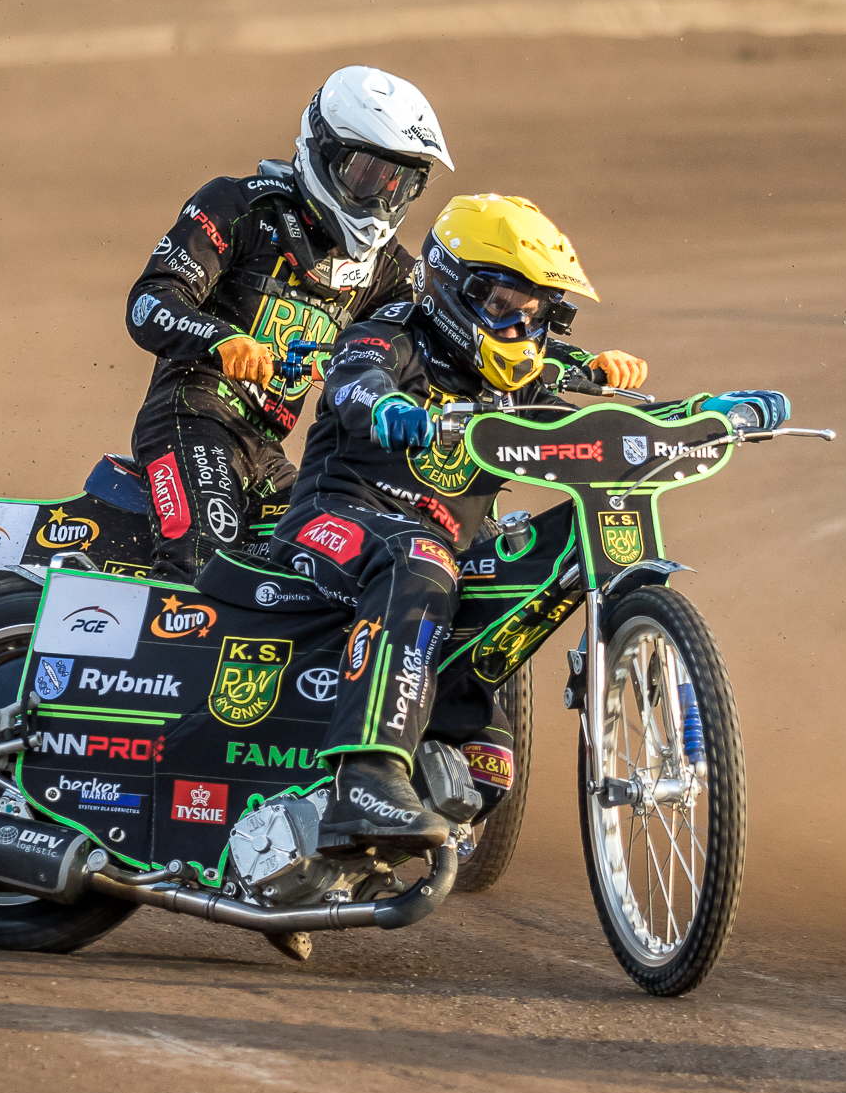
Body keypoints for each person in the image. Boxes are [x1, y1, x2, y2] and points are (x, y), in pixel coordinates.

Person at [270, 193, 648, 848]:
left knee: (489, 772)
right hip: (334, 524)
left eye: (533, 312)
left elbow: (574, 420)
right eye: (501, 305)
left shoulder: (517, 376)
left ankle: (406, 780)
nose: (517, 326)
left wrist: (703, 415)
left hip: (436, 557)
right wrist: (390, 410)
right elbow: (356, 380)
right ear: (449, 286)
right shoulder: (388, 331)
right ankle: (365, 778)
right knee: (419, 556)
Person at [125, 66, 452, 581]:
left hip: (267, 449)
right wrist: (220, 338)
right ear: (321, 149)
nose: (381, 200)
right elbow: (148, 302)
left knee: (318, 561)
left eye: (399, 183)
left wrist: (564, 365)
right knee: (203, 556)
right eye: (366, 175)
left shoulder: (390, 269)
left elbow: (443, 343)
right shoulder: (240, 208)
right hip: (193, 417)